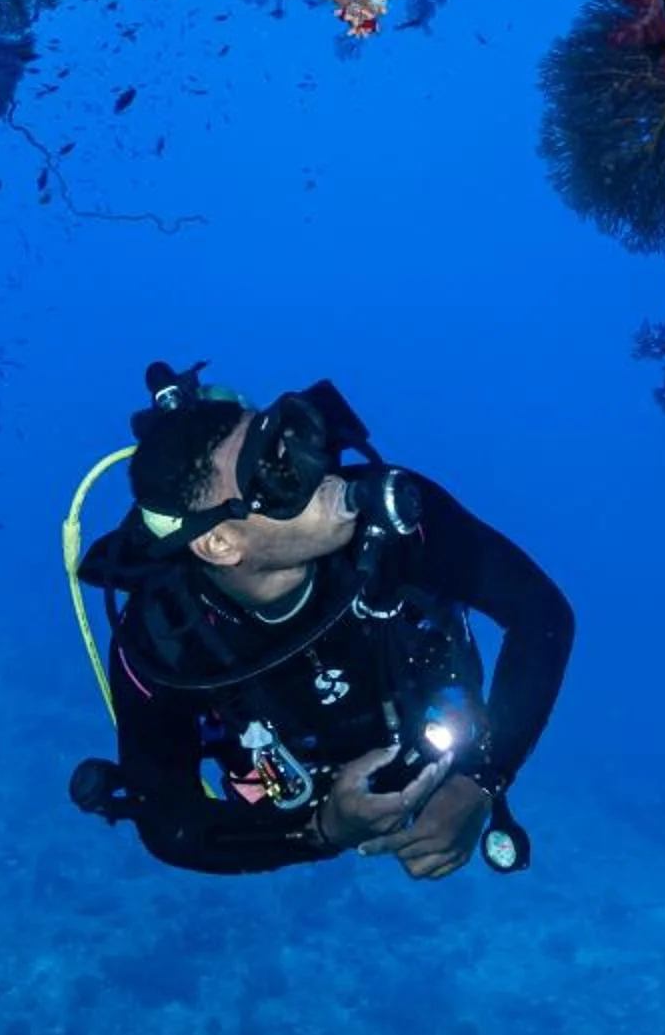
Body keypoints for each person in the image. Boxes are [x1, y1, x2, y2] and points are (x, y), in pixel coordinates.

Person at [65, 362, 573, 878]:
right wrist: (322, 831)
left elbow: (541, 615)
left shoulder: (394, 520)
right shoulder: (161, 638)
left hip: (444, 742)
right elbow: (169, 824)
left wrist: (481, 781)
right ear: (219, 543)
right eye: (277, 472)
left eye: (293, 438)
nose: (320, 469)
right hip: (297, 796)